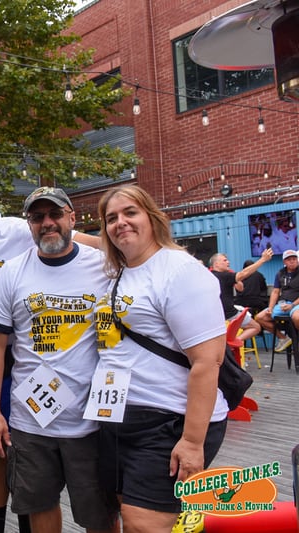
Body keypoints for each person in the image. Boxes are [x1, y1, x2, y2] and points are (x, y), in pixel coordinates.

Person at [0, 168, 100, 533]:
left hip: (31, 356)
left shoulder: (22, 227)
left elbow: (86, 243)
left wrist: (151, 249)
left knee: (31, 452)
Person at [0, 187, 117, 533]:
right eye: (37, 217)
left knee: (100, 515)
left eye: (55, 214)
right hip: (31, 419)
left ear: (72, 218)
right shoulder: (12, 271)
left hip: (93, 417)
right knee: (39, 507)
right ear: (30, 225)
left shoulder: (104, 266)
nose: (47, 223)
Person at [94, 185, 228, 533]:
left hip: (171, 421)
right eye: (111, 219)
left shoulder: (180, 270)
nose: (120, 223)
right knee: (127, 513)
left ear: (152, 217)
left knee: (145, 522)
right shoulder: (120, 270)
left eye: (130, 213)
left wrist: (192, 442)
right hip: (120, 418)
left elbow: (207, 361)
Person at [208, 250, 272, 343]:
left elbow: (240, 288)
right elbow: (243, 274)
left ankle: (230, 342)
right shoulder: (224, 276)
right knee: (256, 327)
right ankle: (232, 342)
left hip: (213, 315)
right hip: (229, 313)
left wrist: (234, 277)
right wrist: (262, 260)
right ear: (216, 264)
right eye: (225, 260)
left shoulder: (210, 275)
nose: (228, 262)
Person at [255, 250, 299, 353]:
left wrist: (292, 305)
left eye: (294, 259)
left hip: (296, 304)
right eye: (289, 260)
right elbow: (275, 292)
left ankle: (297, 340)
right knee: (260, 317)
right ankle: (283, 338)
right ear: (284, 262)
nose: (292, 261)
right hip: (283, 304)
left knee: (297, 317)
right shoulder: (280, 273)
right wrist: (270, 307)